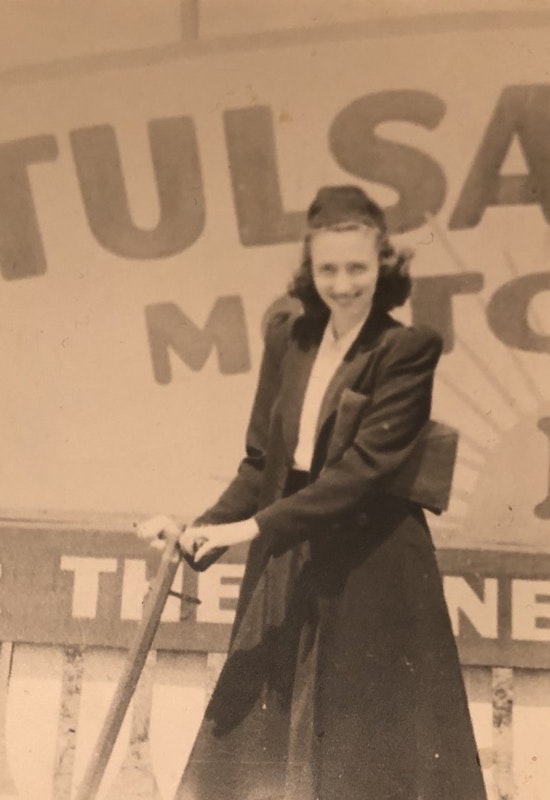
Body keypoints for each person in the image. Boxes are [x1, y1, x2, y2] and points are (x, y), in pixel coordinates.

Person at [139, 185, 487, 800]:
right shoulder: (290, 340)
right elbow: (260, 463)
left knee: (367, 750)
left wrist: (251, 529)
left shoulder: (406, 349)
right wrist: (201, 528)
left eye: (357, 266)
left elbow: (363, 471)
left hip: (372, 569)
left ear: (383, 264)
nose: (344, 283)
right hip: (289, 558)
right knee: (261, 746)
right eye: (328, 268)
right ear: (310, 269)